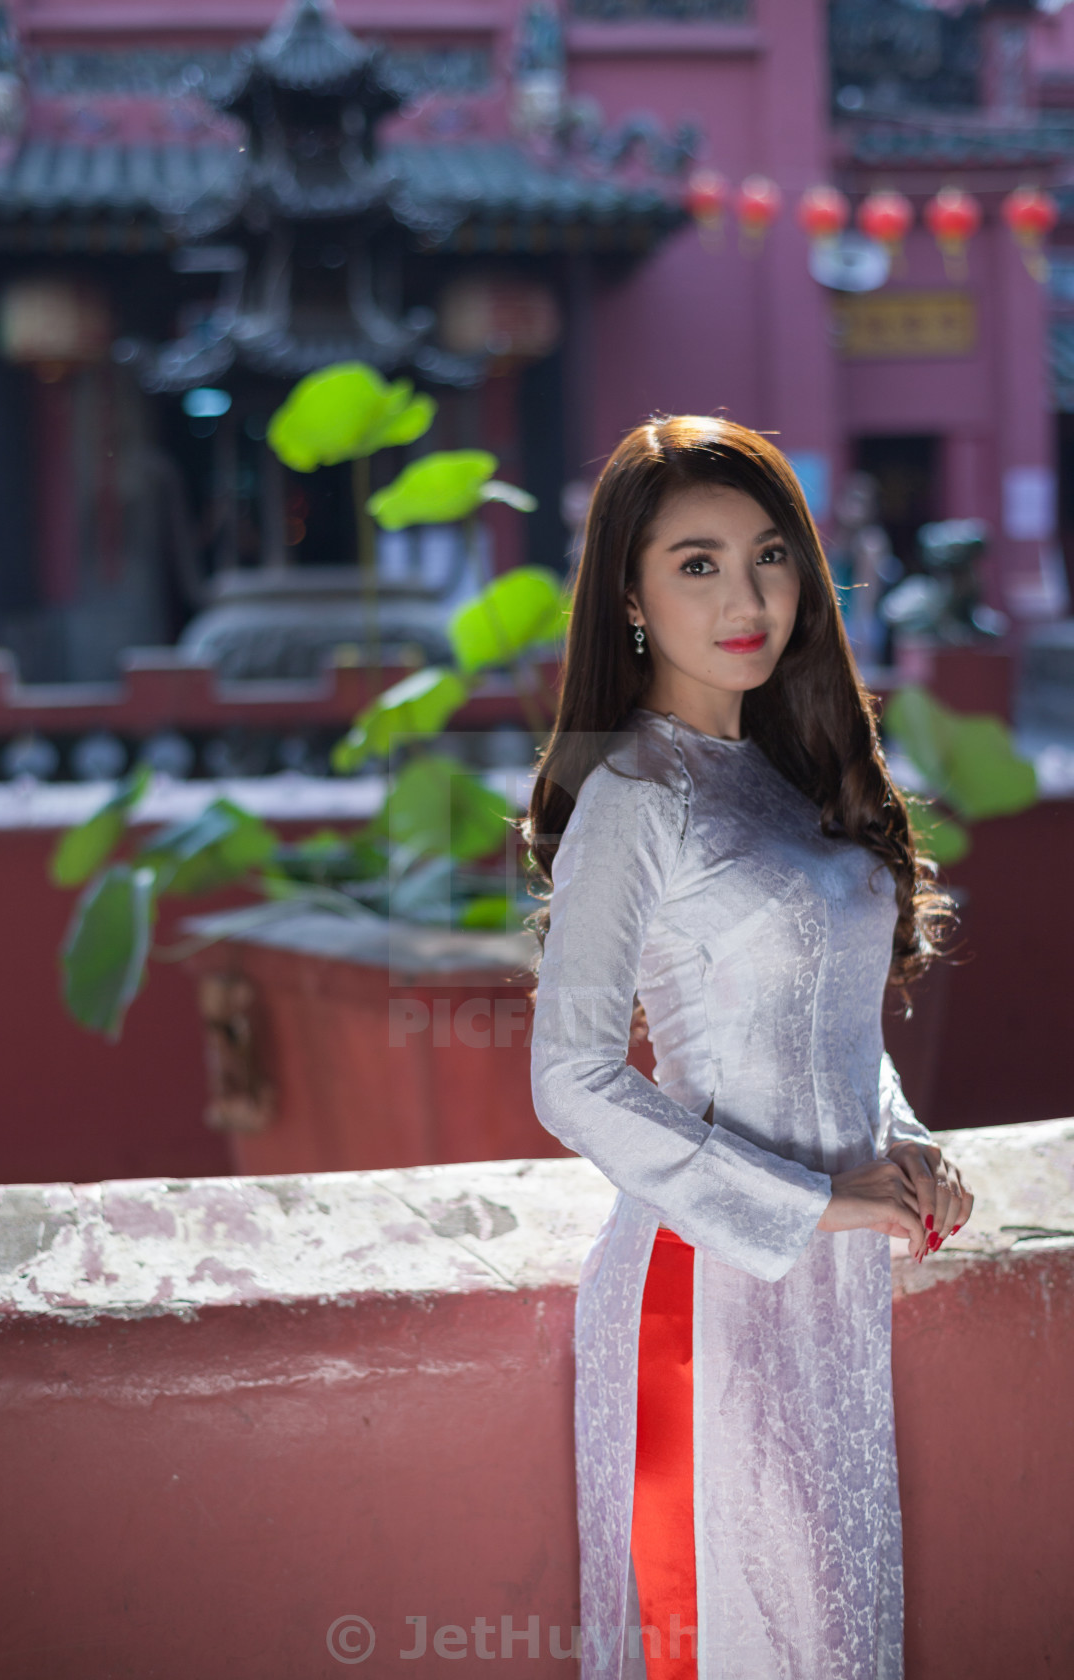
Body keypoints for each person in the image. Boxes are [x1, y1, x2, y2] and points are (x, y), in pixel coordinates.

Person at [522, 415, 974, 1680]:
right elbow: (573, 1075)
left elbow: (828, 1025)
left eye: (770, 555)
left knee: (831, 1633)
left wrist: (904, 1147)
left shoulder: (783, 777)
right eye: (697, 563)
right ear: (629, 592)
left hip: (825, 1285)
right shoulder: (632, 799)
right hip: (704, 1284)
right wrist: (813, 1200)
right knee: (728, 1637)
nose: (747, 596)